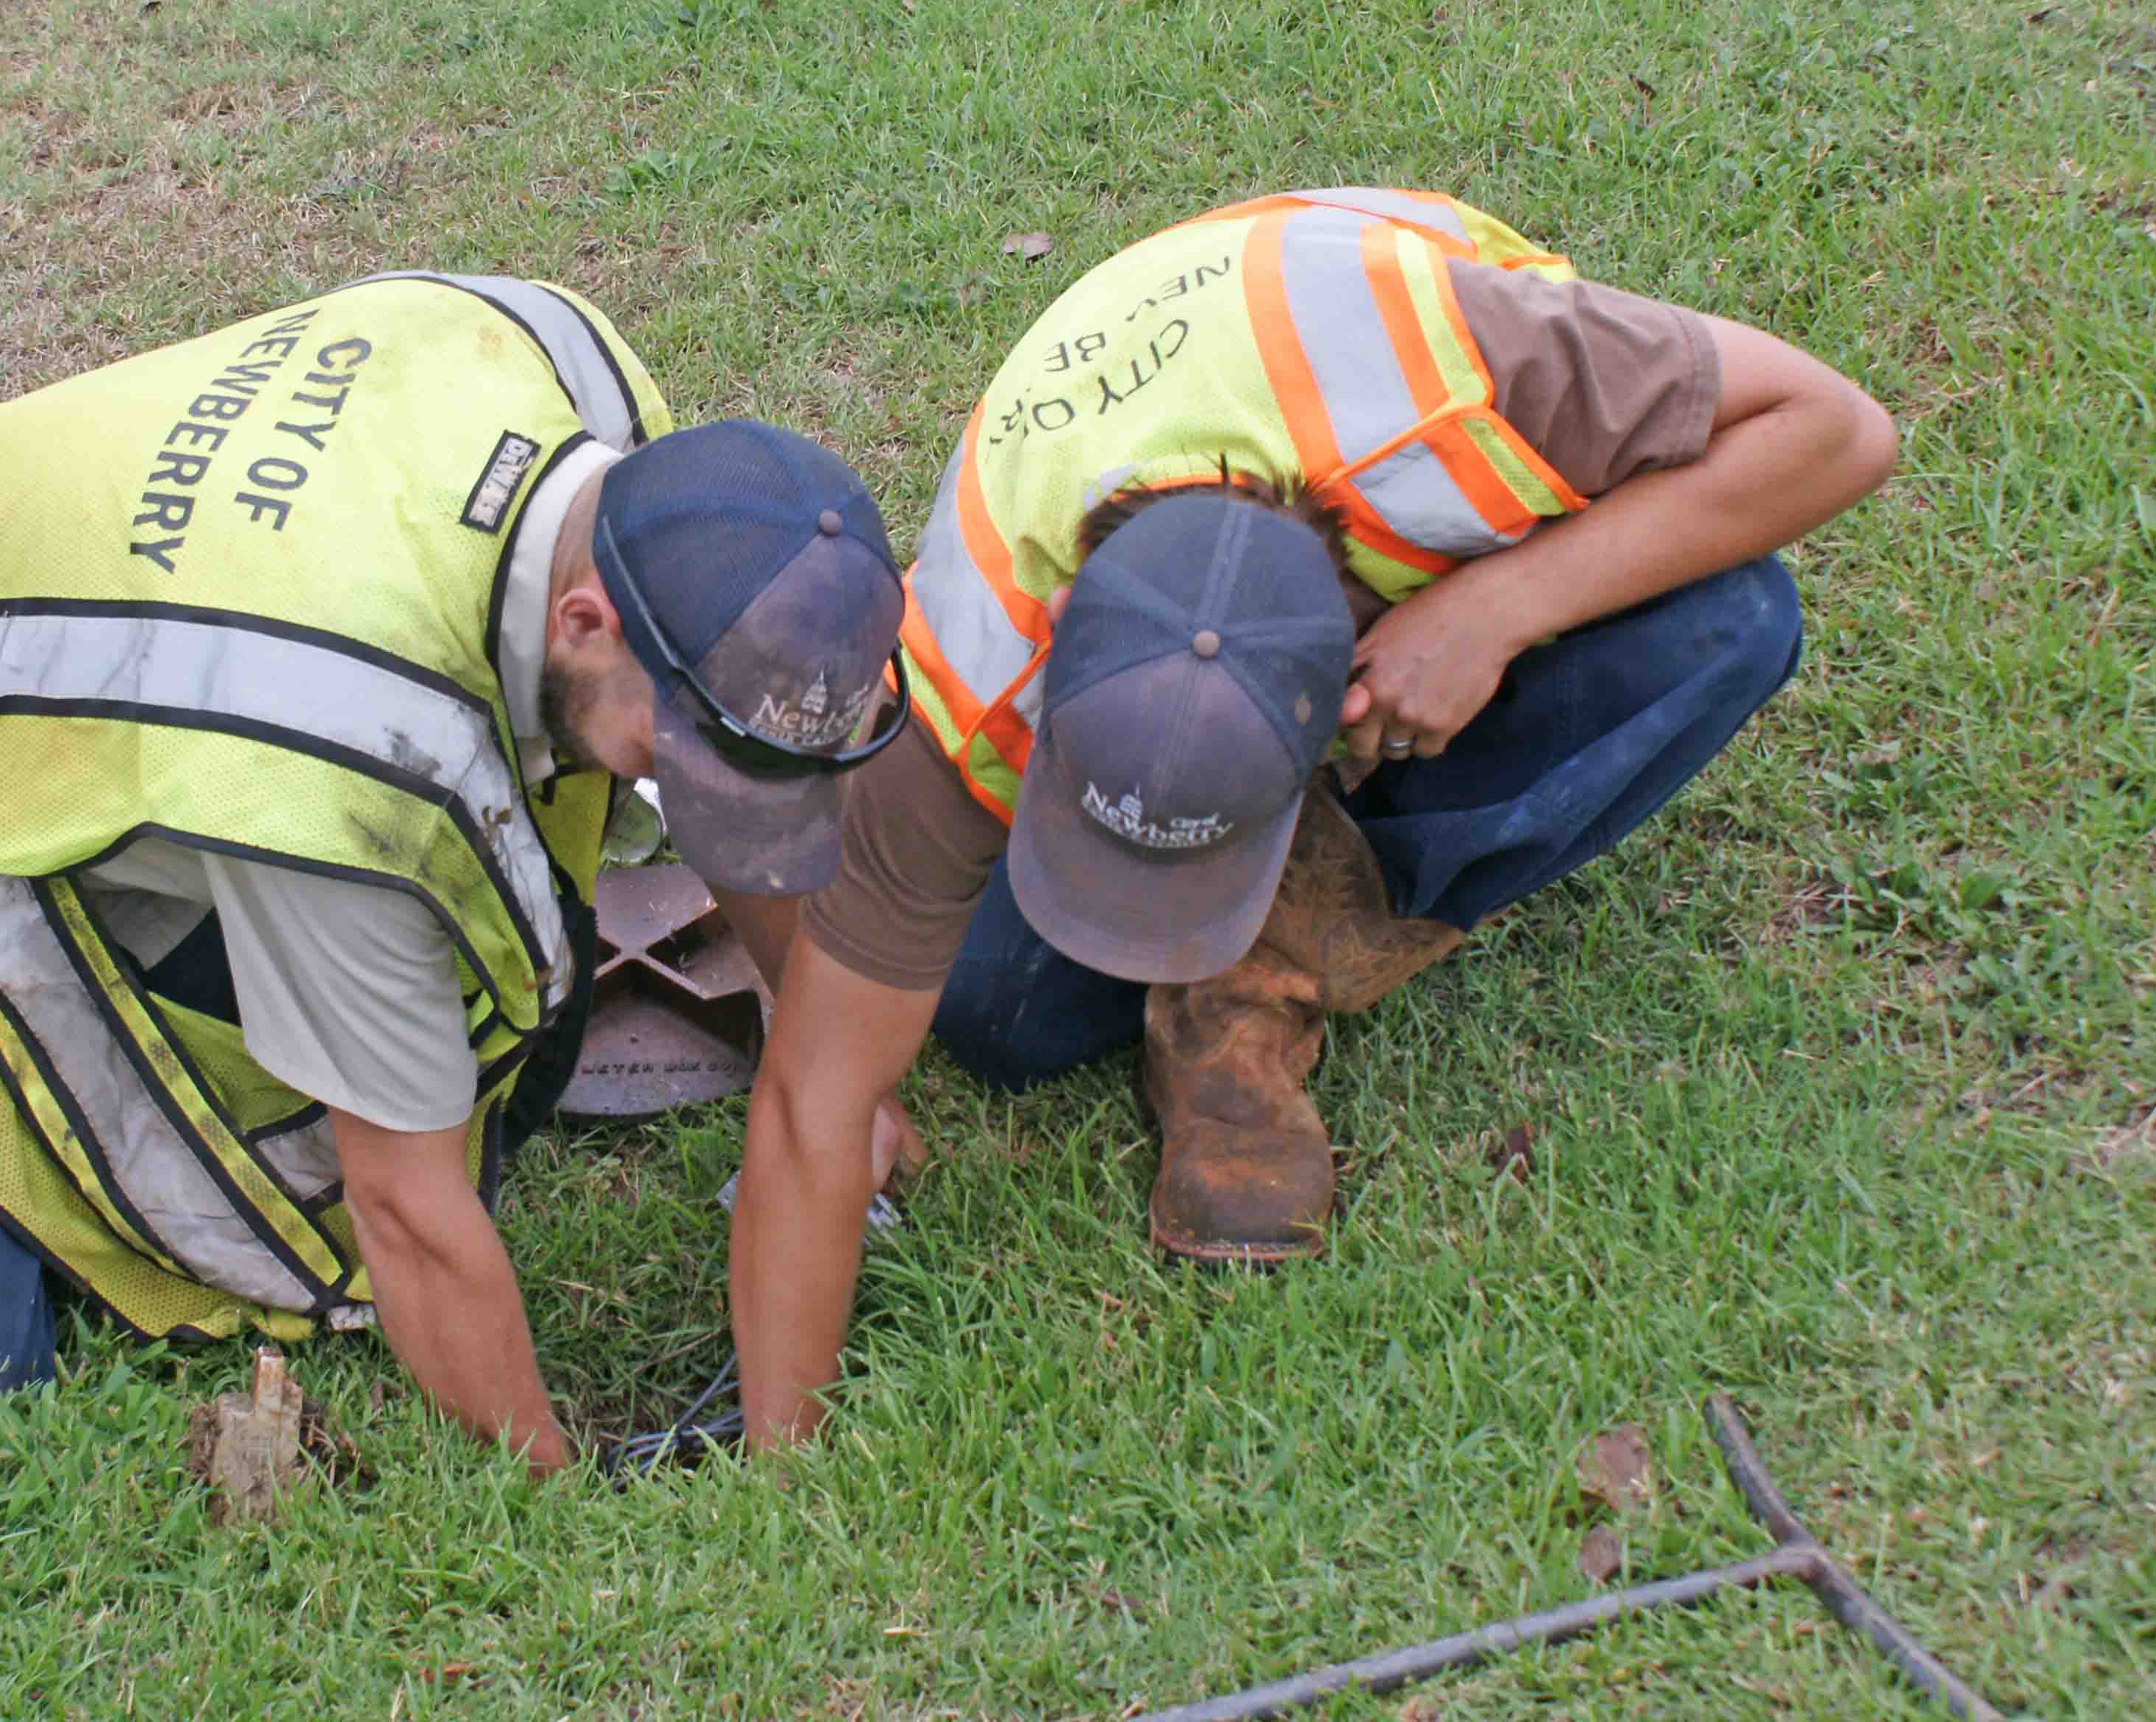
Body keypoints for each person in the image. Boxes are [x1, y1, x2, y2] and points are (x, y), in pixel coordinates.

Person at [0, 270, 911, 1466]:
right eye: (687, 758)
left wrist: (831, 1070)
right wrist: (551, 1479)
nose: (704, 805)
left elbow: (754, 800)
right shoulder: (343, 740)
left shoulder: (611, 425)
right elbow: (404, 1211)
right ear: (586, 619)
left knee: (490, 1079)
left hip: (90, 686)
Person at [720, 188, 1899, 1448]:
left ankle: (1266, 986)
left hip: (1423, 526)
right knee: (998, 1018)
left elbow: (1838, 428)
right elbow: (814, 1102)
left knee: (1732, 621)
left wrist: (1499, 610)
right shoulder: (971, 652)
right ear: (1054, 694)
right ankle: (1220, 910)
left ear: (1343, 694)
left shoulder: (1471, 371)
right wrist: (787, 1460)